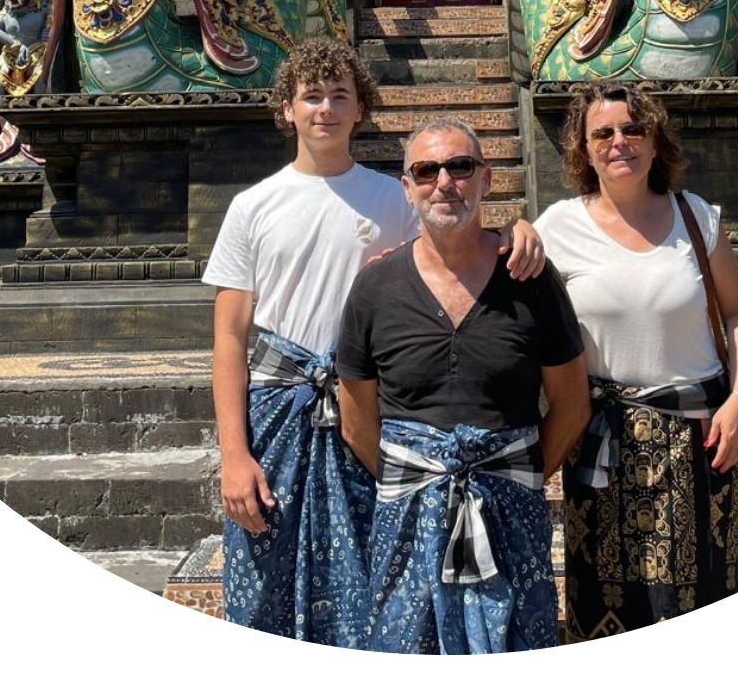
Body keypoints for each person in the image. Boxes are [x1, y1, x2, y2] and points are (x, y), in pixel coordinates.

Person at [202, 41, 545, 646]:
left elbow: (456, 241)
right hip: (279, 413)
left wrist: (514, 229)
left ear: (362, 108)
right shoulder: (251, 206)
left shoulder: (396, 197)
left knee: (377, 574)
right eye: (312, 96)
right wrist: (235, 454)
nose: (326, 110)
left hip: (371, 410)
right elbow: (230, 338)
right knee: (264, 570)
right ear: (287, 108)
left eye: (341, 96)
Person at [337, 119, 591, 654]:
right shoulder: (376, 287)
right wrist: (417, 479)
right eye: (426, 171)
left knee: (517, 640)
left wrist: (513, 476)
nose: (444, 182)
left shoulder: (530, 279)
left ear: (485, 179)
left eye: (460, 166)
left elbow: (571, 406)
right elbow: (357, 419)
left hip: (509, 507)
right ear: (407, 187)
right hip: (409, 506)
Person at [533, 83, 738, 639]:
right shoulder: (557, 228)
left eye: (634, 129)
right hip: (605, 440)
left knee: (703, 593)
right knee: (606, 598)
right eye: (603, 133)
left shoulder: (696, 217)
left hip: (701, 436)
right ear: (584, 150)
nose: (620, 143)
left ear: (656, 141)